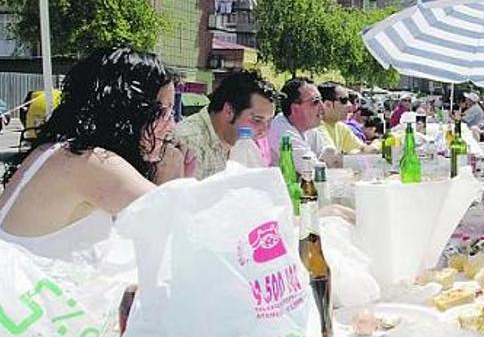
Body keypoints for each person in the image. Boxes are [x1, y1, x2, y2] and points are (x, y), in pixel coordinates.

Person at [0, 48, 193, 263]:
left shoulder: (64, 150)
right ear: (126, 110)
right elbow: (180, 230)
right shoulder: (91, 161)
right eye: (161, 111)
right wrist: (173, 177)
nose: (171, 125)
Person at [175, 71, 278, 179]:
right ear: (229, 111)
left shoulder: (245, 142)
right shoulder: (187, 141)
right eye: (257, 120)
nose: (264, 131)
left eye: (269, 122)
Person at [268, 78, 336, 171]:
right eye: (315, 101)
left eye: (321, 100)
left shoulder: (310, 128)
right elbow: (311, 170)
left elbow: (331, 157)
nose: (323, 107)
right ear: (294, 108)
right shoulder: (281, 131)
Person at [318, 83, 378, 154]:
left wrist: (377, 144)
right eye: (344, 100)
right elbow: (332, 158)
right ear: (327, 104)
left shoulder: (340, 127)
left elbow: (363, 148)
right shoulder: (315, 127)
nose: (350, 105)